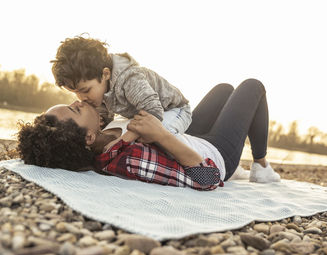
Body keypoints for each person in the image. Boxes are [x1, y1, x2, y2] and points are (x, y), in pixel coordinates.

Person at [17, 79, 280, 190]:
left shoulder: (101, 132)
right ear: (86, 138)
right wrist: (161, 135)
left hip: (190, 135)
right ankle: (260, 165)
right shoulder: (128, 158)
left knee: (224, 89)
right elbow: (207, 179)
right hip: (213, 155)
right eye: (75, 109)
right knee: (253, 86)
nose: (79, 102)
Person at [50, 35, 192, 139]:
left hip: (172, 109)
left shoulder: (129, 79)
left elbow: (153, 112)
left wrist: (125, 139)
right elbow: (104, 113)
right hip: (144, 111)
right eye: (76, 93)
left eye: (86, 90)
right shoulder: (100, 89)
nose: (82, 98)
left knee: (158, 137)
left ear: (105, 74)